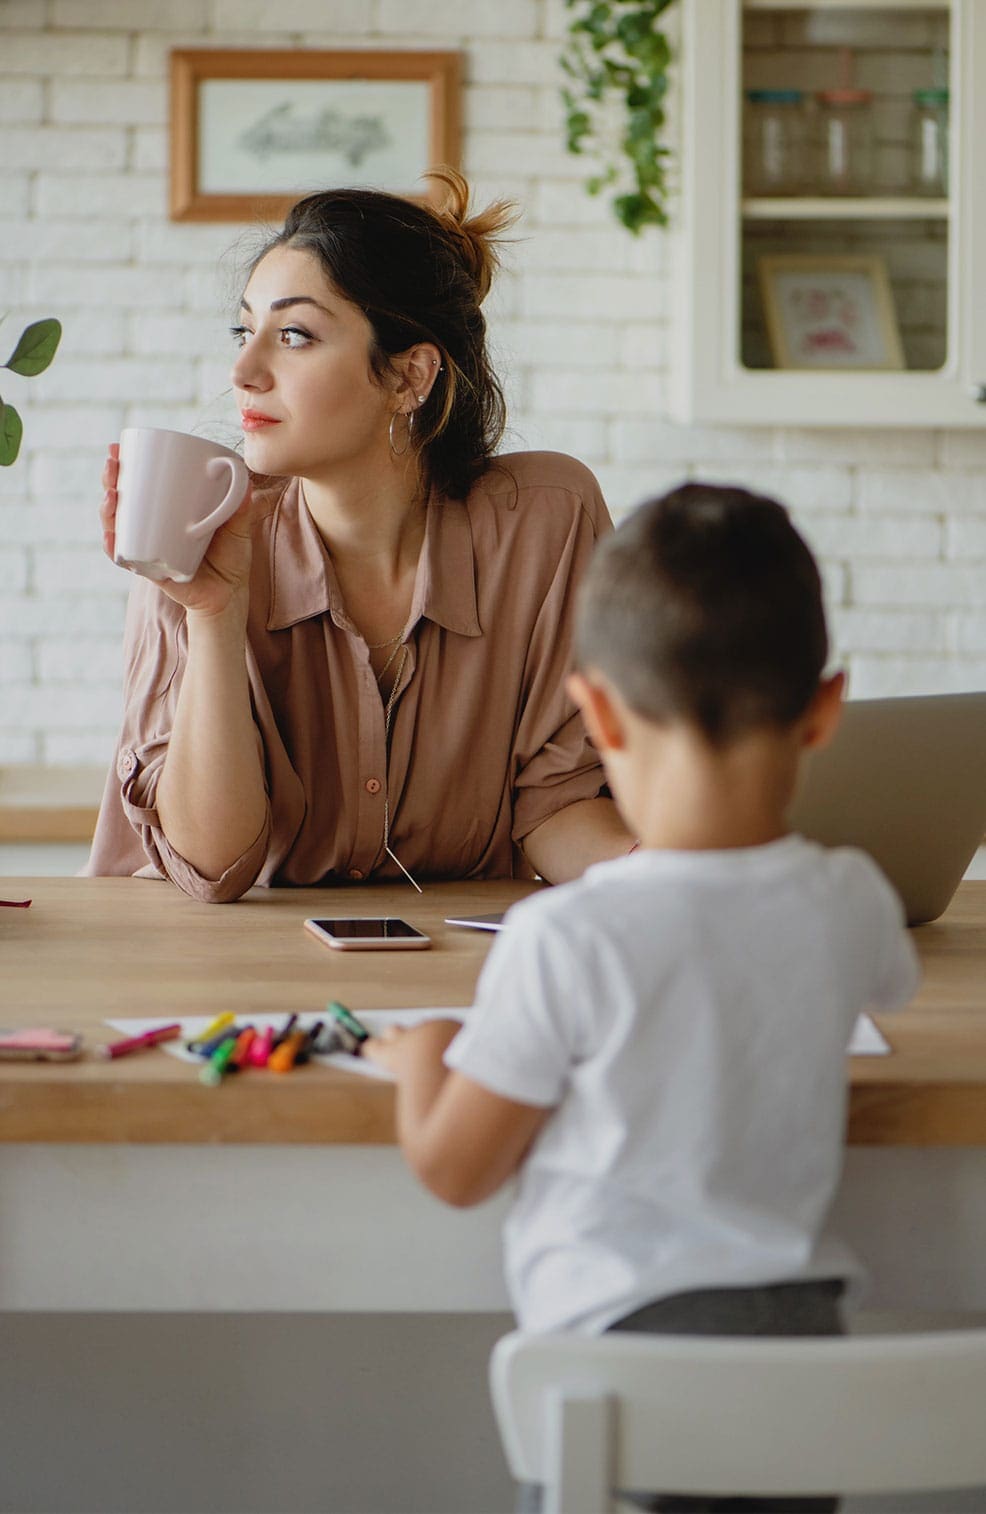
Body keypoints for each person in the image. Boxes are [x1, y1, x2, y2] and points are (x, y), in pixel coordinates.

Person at [363, 482, 921, 1514]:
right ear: (825, 709)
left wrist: (424, 1054)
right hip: (801, 1379)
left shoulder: (564, 937)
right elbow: (876, 982)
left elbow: (452, 1168)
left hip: (623, 1385)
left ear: (598, 709)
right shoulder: (850, 899)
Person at [86, 169, 632, 901]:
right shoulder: (195, 527)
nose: (243, 370)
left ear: (410, 377)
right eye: (245, 331)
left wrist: (685, 880)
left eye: (293, 335)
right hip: (202, 979)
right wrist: (213, 614)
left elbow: (557, 803)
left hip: (442, 976)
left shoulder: (545, 521)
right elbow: (211, 868)